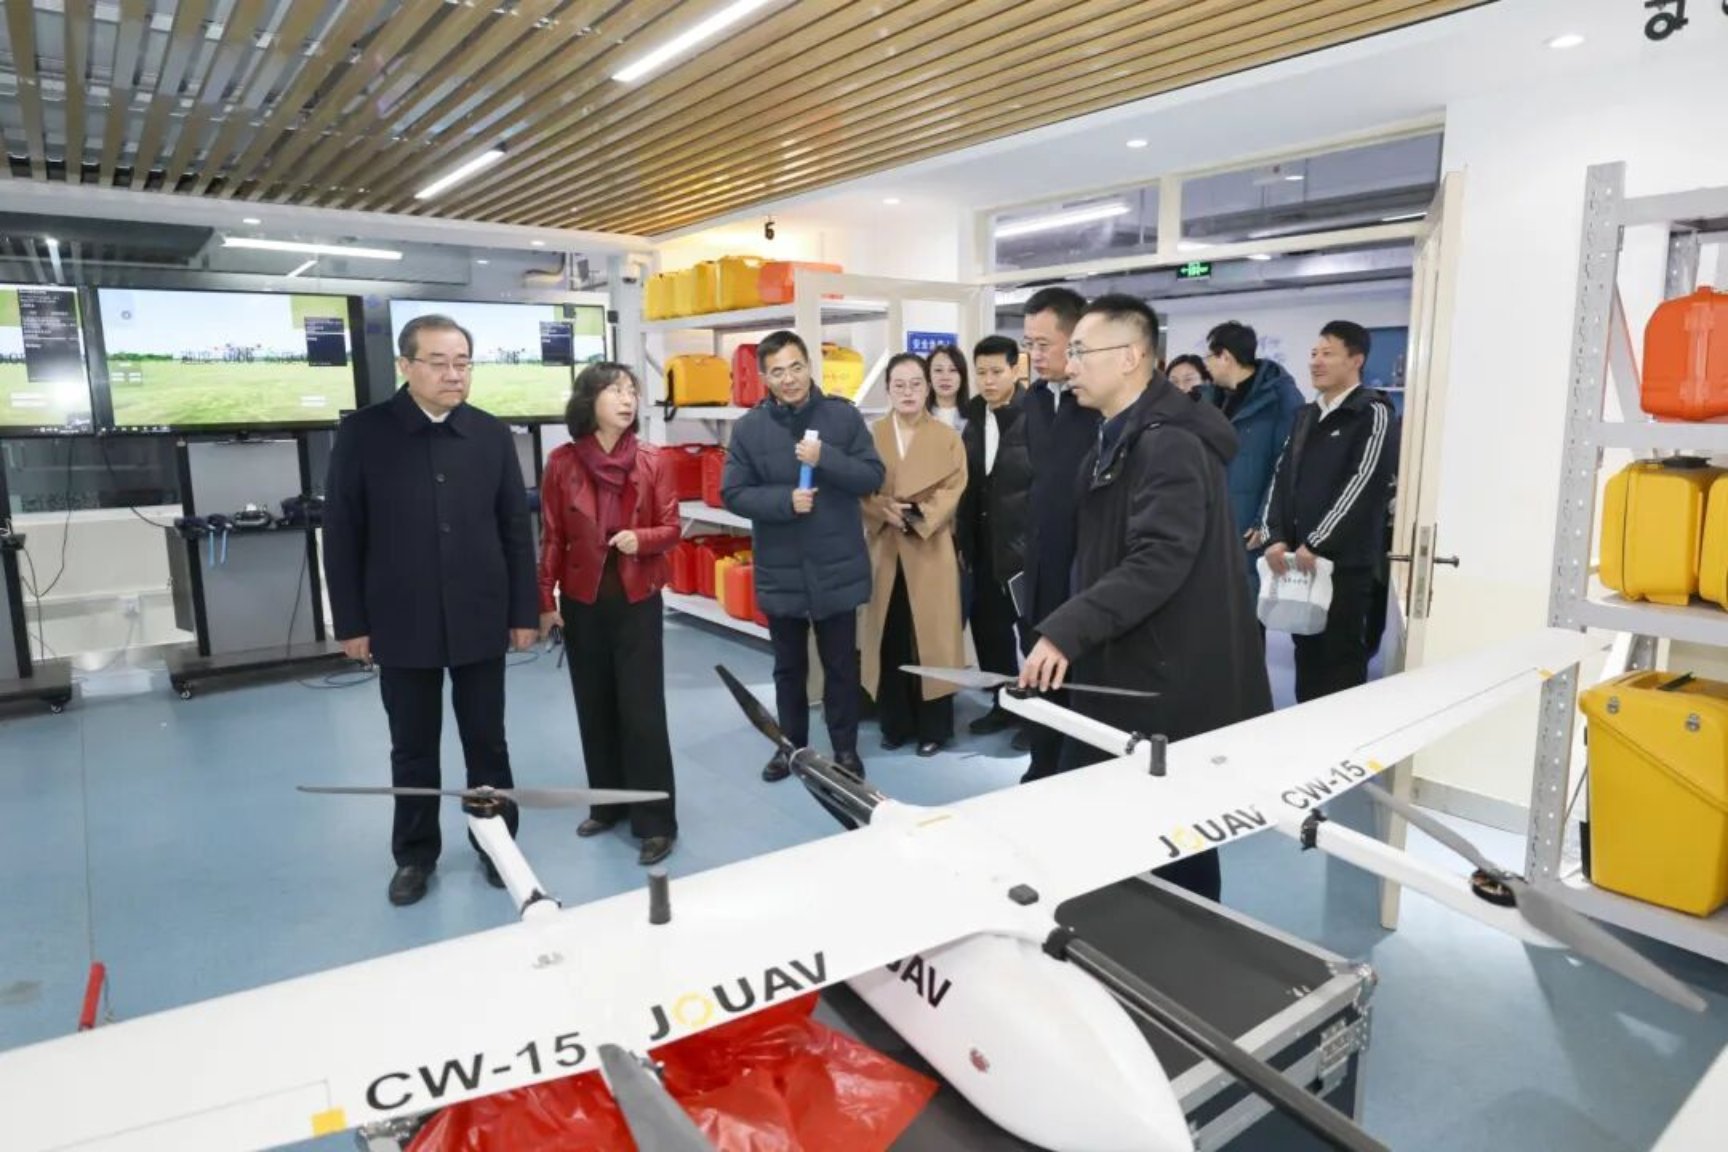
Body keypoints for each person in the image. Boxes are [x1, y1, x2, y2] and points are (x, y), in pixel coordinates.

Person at [1020, 295, 1272, 902]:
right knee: (1123, 832)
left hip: (1166, 683)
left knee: (1177, 844)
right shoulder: (1119, 436)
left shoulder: (1168, 444)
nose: (1069, 366)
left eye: (1082, 352)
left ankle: (1192, 949)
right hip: (1126, 666)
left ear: (1131, 357)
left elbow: (1159, 559)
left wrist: (1066, 630)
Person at [323, 314, 538, 907]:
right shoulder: (364, 434)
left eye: (462, 363)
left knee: (487, 742)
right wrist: (352, 622)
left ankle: (496, 844)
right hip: (400, 616)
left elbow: (515, 531)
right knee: (412, 746)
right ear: (405, 366)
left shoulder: (491, 435)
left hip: (480, 613)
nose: (453, 375)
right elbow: (342, 533)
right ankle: (415, 855)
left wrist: (524, 611)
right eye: (439, 362)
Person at [722, 331, 885, 780]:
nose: (789, 379)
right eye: (777, 372)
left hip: (836, 565)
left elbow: (872, 475)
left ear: (810, 366)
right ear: (763, 378)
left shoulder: (842, 417)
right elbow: (733, 492)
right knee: (788, 668)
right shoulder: (749, 428)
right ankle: (790, 748)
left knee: (840, 666)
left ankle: (845, 750)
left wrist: (825, 457)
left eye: (796, 367)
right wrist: (784, 501)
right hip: (781, 569)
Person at [537, 363, 679, 866]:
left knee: (642, 711)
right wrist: (545, 600)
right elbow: (552, 536)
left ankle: (656, 821)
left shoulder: (653, 459)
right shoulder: (562, 463)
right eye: (615, 390)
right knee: (593, 705)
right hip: (583, 600)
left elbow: (672, 527)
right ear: (589, 401)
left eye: (631, 391)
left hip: (637, 599)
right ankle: (608, 805)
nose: (626, 399)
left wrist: (643, 538)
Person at [1256, 320, 1398, 703]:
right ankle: (1305, 733)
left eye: (1328, 354)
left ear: (1356, 360)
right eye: (1314, 353)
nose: (1316, 362)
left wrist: (1318, 542)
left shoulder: (1372, 412)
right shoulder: (1306, 415)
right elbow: (1282, 475)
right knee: (1307, 657)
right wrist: (1275, 536)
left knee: (1340, 663)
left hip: (1343, 567)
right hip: (1300, 564)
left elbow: (1363, 482)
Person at [861, 354, 968, 756]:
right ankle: (895, 723)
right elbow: (859, 487)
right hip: (885, 548)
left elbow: (955, 487)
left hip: (929, 547)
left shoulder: (947, 436)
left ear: (927, 388)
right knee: (890, 635)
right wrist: (880, 508)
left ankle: (934, 729)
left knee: (932, 639)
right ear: (888, 389)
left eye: (916, 384)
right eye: (899, 385)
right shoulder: (872, 435)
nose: (908, 392)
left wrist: (914, 515)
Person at [1015, 286, 1099, 778]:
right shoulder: (1034, 401)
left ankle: (1075, 773)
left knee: (1081, 678)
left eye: (1044, 344)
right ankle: (1041, 764)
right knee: (1039, 670)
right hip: (1041, 564)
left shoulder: (1098, 405)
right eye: (1029, 344)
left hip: (1088, 568)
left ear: (1076, 340)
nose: (1035, 355)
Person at [957, 335, 1030, 736]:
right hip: (981, 546)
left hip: (1022, 549)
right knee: (989, 632)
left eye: (996, 372)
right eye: (981, 372)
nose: (988, 380)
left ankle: (1037, 717)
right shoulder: (972, 418)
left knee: (1031, 634)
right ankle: (1003, 706)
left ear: (1015, 369)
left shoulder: (1035, 416)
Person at [1202, 321, 1304, 602]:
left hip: (1250, 524)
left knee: (1245, 603)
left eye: (1209, 357)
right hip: (1210, 519)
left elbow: (1287, 465)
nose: (1206, 365)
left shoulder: (1280, 398)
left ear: (1225, 356)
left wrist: (1265, 521)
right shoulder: (1211, 400)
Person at [928, 343, 970, 432]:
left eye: (953, 370)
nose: (945, 377)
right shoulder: (917, 417)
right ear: (928, 376)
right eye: (938, 370)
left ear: (962, 376)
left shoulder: (976, 418)